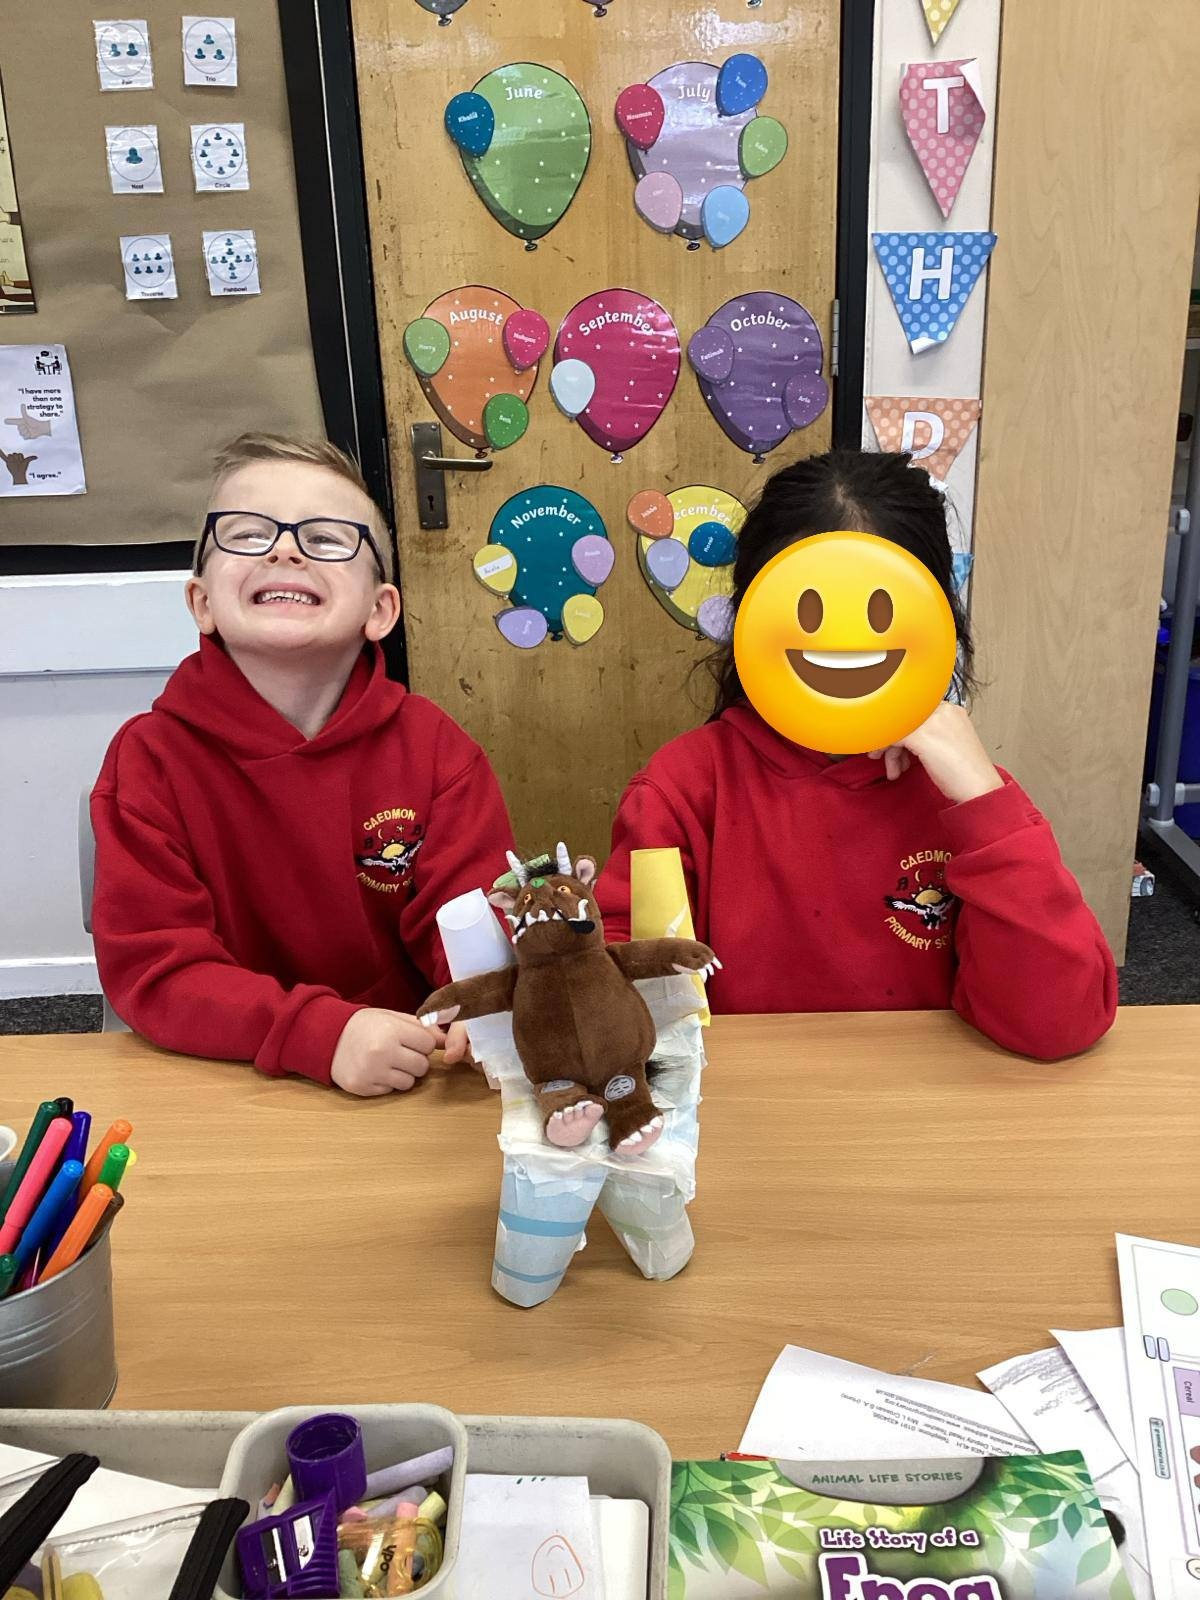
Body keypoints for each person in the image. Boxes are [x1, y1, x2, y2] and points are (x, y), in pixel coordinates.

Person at [597, 449, 1116, 1060]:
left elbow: (1059, 1023)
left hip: (931, 1107)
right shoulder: (684, 789)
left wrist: (986, 805)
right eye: (812, 613)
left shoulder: (968, 796)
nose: (845, 645)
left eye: (878, 613)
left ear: (939, 618)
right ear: (749, 617)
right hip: (749, 1105)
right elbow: (621, 995)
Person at [91, 432, 514, 1093]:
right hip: (221, 1071)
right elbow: (156, 971)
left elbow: (470, 921)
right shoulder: (148, 761)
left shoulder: (437, 751)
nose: (284, 550)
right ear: (202, 602)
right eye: (247, 533)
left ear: (380, 610)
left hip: (405, 1072)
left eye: (324, 539)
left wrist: (483, 996)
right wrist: (319, 1032)